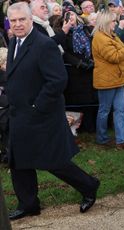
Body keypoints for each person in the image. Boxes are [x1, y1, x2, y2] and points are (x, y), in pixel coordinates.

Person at [6, 2, 100, 220]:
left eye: (22, 19)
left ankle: (89, 186)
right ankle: (29, 204)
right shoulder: (14, 43)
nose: (18, 24)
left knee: (53, 161)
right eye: (14, 20)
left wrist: (37, 106)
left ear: (31, 20)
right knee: (18, 160)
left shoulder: (43, 45)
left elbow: (58, 80)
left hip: (41, 115)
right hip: (18, 114)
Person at [92, 10, 124, 150]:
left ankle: (122, 140)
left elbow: (119, 52)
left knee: (120, 110)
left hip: (117, 79)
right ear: (106, 22)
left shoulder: (111, 35)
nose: (115, 23)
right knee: (105, 110)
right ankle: (102, 138)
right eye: (113, 21)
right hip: (107, 81)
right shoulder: (100, 38)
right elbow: (115, 57)